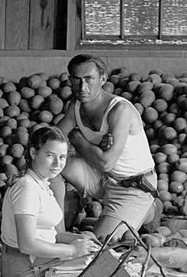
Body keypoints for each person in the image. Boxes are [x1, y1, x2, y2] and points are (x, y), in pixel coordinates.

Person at [56, 53, 158, 237]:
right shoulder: (76, 105)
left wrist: (77, 139)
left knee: (103, 244)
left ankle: (148, 210)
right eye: (77, 80)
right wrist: (25, 173)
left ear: (103, 79)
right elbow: (51, 141)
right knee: (51, 163)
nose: (83, 87)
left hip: (131, 187)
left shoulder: (120, 110)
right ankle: (60, 228)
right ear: (70, 80)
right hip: (103, 178)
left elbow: (106, 162)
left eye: (89, 79)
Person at [0, 126, 101, 277]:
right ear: (33, 153)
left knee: (102, 262)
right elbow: (27, 244)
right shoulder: (27, 188)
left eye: (62, 157)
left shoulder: (42, 184)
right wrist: (73, 250)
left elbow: (53, 235)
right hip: (26, 271)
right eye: (49, 156)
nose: (57, 163)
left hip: (40, 262)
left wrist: (83, 240)